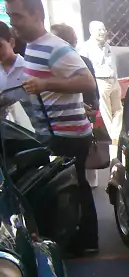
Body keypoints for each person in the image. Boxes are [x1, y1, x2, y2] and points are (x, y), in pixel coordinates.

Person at [7, 0, 99, 256]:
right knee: (69, 187)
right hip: (52, 132)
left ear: (37, 15)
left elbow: (87, 82)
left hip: (67, 134)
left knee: (75, 188)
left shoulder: (56, 47)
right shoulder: (34, 47)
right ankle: (78, 238)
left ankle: (85, 240)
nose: (14, 22)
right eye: (10, 16)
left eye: (17, 16)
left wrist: (45, 86)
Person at [52, 23, 102, 189]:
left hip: (80, 116)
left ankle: (90, 179)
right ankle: (91, 180)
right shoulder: (82, 60)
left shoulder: (73, 62)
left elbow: (91, 85)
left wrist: (93, 105)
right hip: (84, 112)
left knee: (84, 152)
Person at [78, 21, 123, 146]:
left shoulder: (107, 46)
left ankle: (117, 134)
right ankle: (114, 138)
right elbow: (84, 67)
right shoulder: (85, 48)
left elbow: (112, 63)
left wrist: (116, 79)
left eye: (104, 29)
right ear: (91, 31)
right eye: (99, 30)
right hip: (100, 81)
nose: (103, 32)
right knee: (106, 111)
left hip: (113, 80)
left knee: (118, 110)